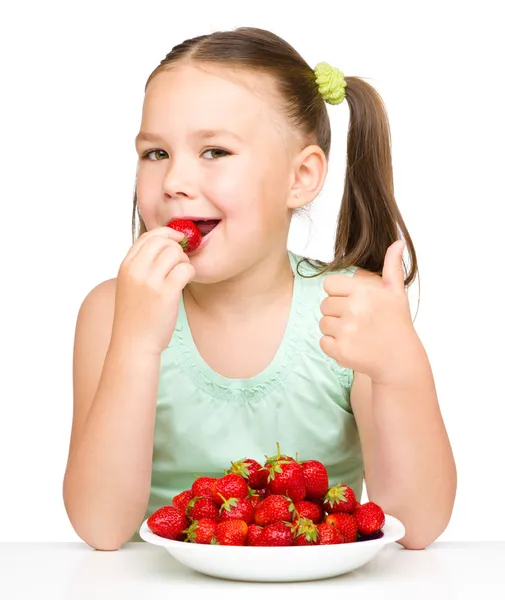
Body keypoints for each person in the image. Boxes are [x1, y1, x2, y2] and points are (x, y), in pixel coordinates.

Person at [62, 27, 456, 551]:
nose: (174, 180)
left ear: (301, 177)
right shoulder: (112, 311)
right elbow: (100, 528)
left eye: (215, 151)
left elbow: (416, 526)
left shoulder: (350, 309)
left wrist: (402, 369)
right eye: (155, 153)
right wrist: (135, 343)